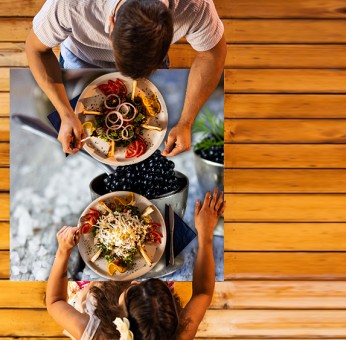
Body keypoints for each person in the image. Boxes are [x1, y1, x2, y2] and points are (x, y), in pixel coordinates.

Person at [26, 0, 227, 156]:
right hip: (81, 58)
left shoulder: (195, 6)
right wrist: (65, 113)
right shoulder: (69, 5)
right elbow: (35, 49)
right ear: (111, 23)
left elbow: (212, 54)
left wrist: (186, 122)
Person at [46, 189, 226, 339]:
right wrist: (206, 234)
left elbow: (55, 301)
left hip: (97, 300)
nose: (136, 281)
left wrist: (63, 251)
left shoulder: (96, 334)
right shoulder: (178, 335)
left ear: (121, 321)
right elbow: (203, 293)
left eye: (134, 289)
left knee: (84, 292)